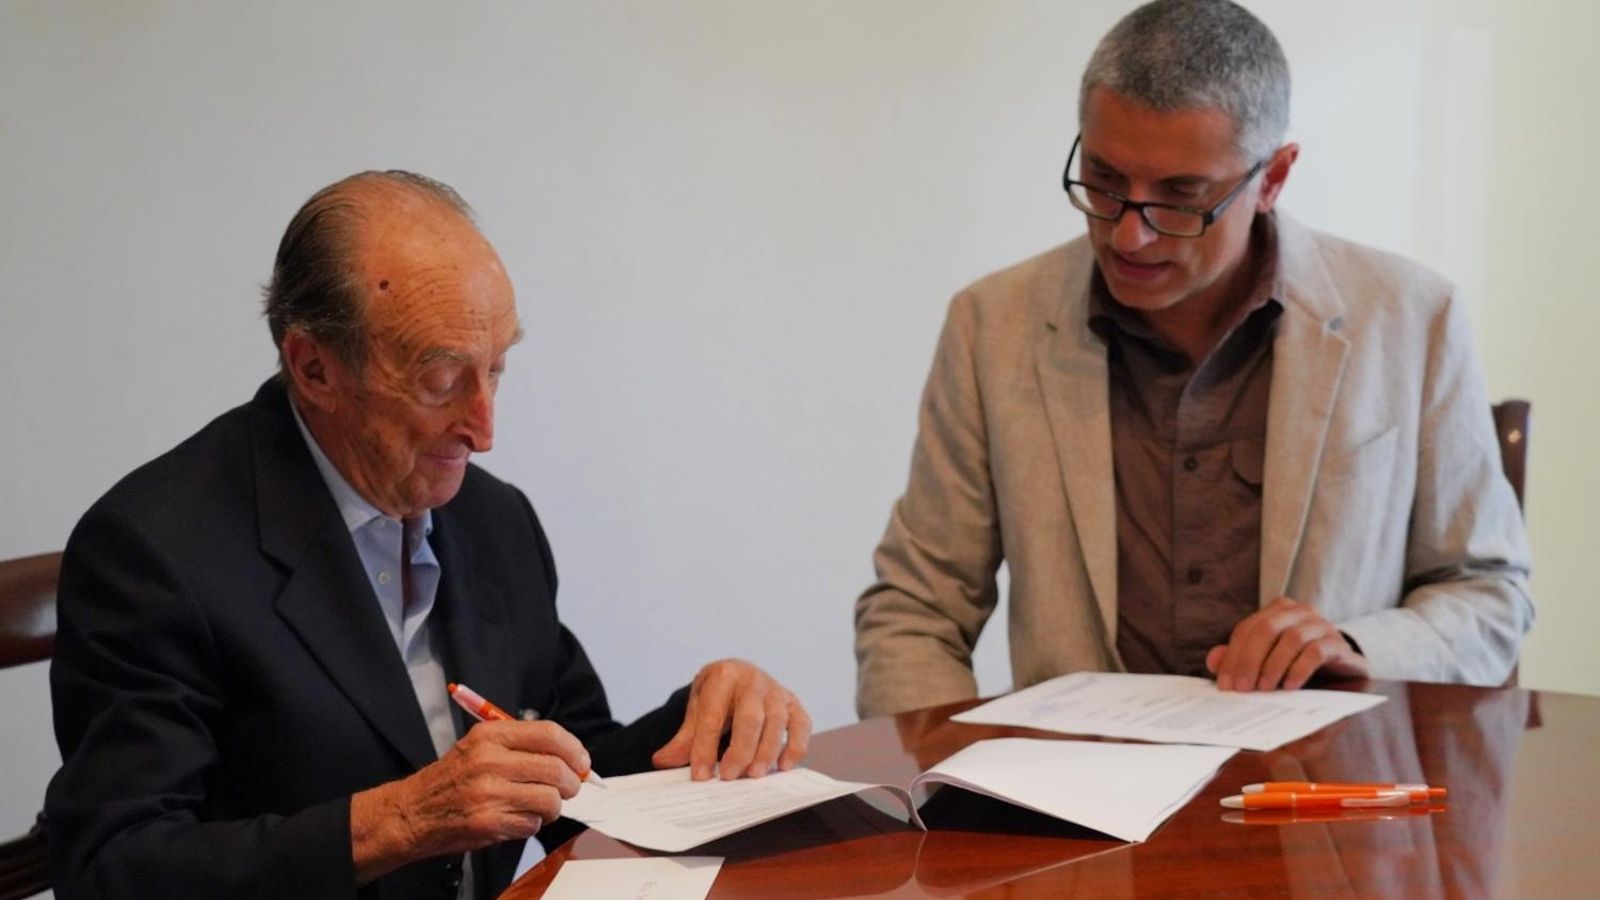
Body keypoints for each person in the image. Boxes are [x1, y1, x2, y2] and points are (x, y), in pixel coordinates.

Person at [47, 171, 811, 900]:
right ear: (314, 368)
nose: (484, 429)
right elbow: (116, 869)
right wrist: (403, 820)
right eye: (442, 381)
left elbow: (576, 770)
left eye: (498, 370)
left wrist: (705, 718)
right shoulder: (154, 552)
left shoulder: (494, 520)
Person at [854, 0, 1532, 718]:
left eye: (1182, 197)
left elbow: (1489, 595)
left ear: (1272, 179)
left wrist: (1358, 648)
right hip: (1072, 790)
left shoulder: (1412, 318)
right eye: (1104, 181)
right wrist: (942, 790)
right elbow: (915, 610)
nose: (1128, 237)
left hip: (1324, 800)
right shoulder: (993, 325)